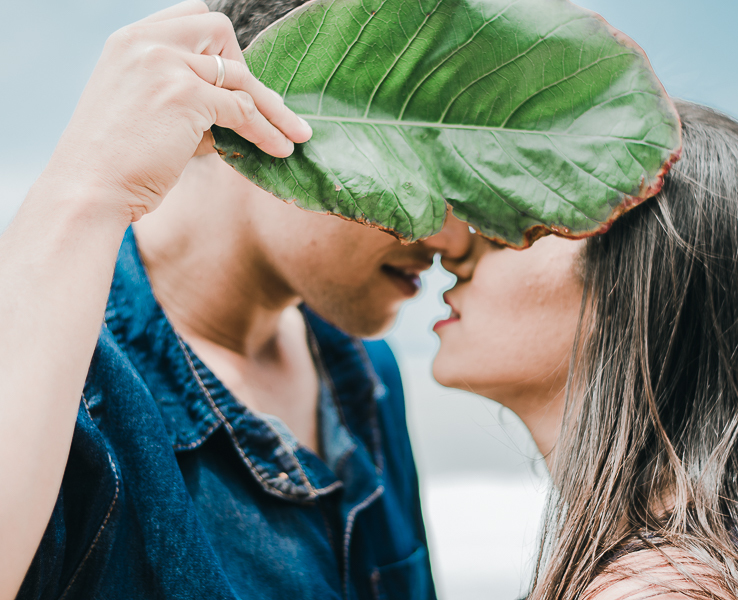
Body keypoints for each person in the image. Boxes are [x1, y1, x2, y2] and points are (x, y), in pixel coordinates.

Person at [0, 1, 472, 598]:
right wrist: (86, 188)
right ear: (257, 105)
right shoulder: (60, 383)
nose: (454, 239)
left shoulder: (368, 373)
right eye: (421, 164)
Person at [433, 101, 738, 600]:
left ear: (635, 287)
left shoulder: (656, 589)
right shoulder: (708, 564)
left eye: (512, 231)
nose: (455, 254)